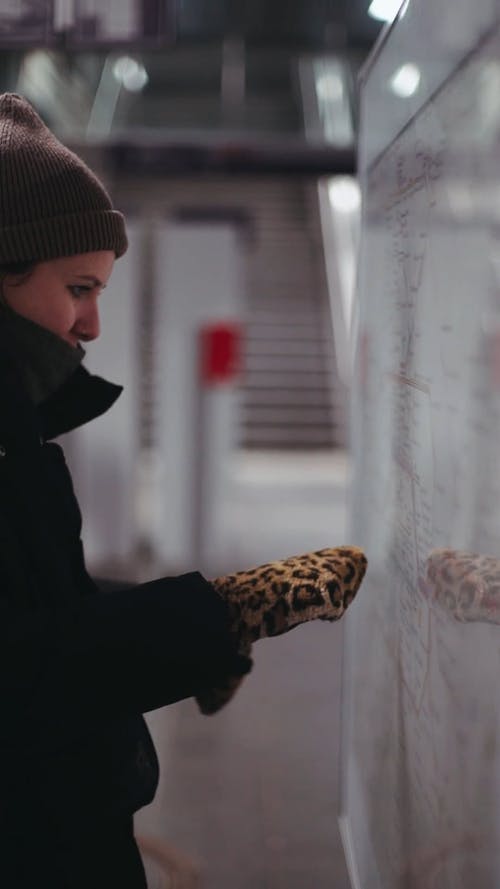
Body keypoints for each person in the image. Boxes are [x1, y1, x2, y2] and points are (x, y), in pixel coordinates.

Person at [0, 93, 366, 888]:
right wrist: (220, 610)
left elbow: (36, 600)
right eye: (79, 287)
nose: (92, 324)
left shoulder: (18, 425)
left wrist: (196, 624)